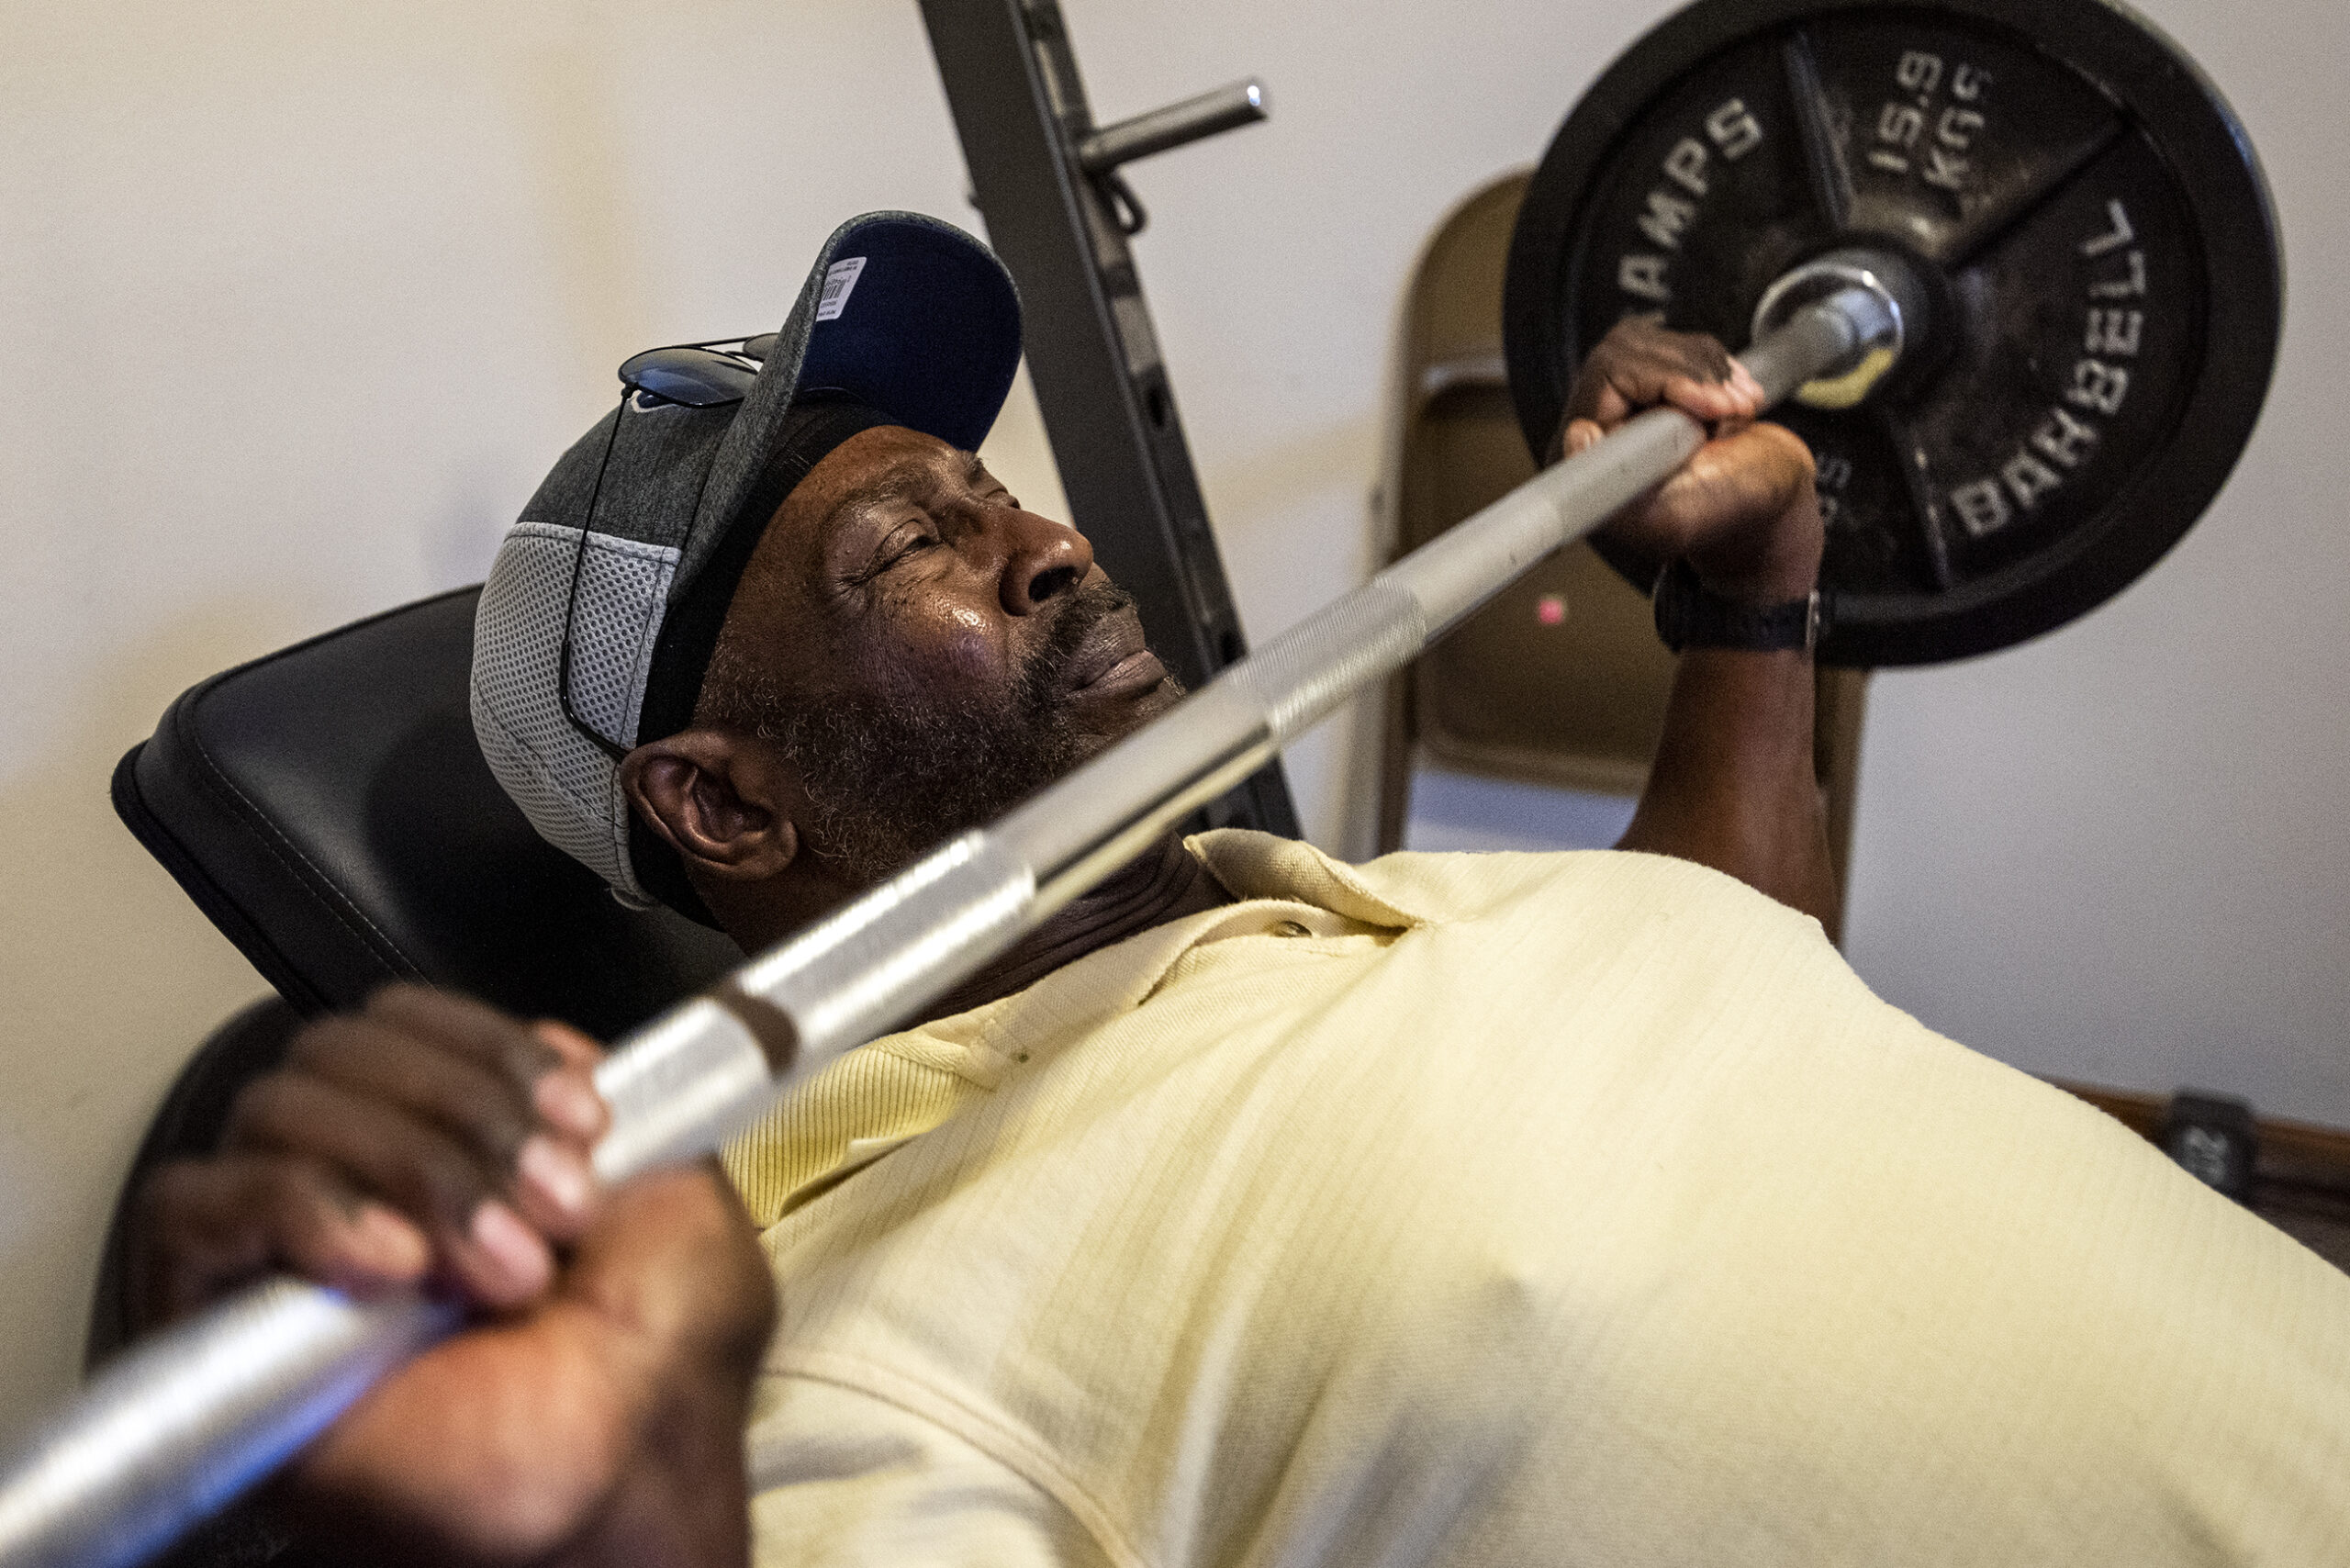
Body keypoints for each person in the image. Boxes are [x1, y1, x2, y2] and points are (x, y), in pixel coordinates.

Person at [134, 214, 2350, 1566]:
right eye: (914, 551)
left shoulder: (1304, 927)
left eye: (992, 495)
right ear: (717, 806)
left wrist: (1758, 600)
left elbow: (1722, 972)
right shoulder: (891, 1315)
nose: (1054, 543)